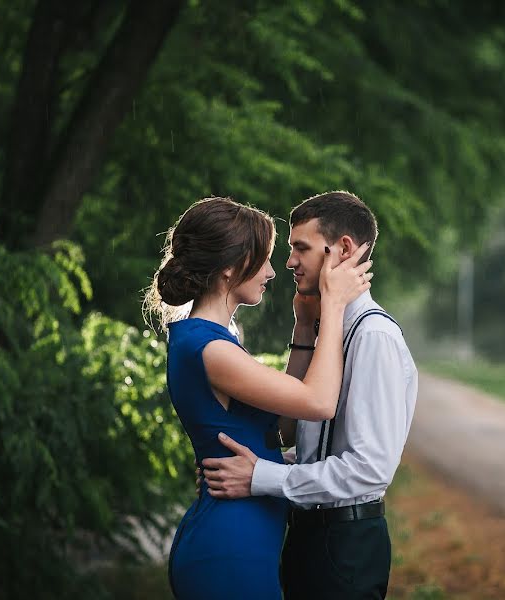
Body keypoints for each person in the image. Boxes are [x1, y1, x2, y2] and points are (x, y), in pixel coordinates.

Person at [144, 197, 374, 600]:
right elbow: (319, 403)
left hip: (247, 539)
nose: (272, 272)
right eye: (264, 259)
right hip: (230, 547)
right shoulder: (208, 347)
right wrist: (333, 304)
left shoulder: (219, 341)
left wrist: (304, 330)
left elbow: (284, 427)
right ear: (231, 268)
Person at [201, 191, 419, 600]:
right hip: (308, 537)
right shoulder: (330, 331)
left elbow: (369, 469)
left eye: (300, 248)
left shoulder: (373, 337)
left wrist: (261, 477)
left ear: (344, 250)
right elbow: (308, 443)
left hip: (345, 545)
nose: (288, 262)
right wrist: (259, 463)